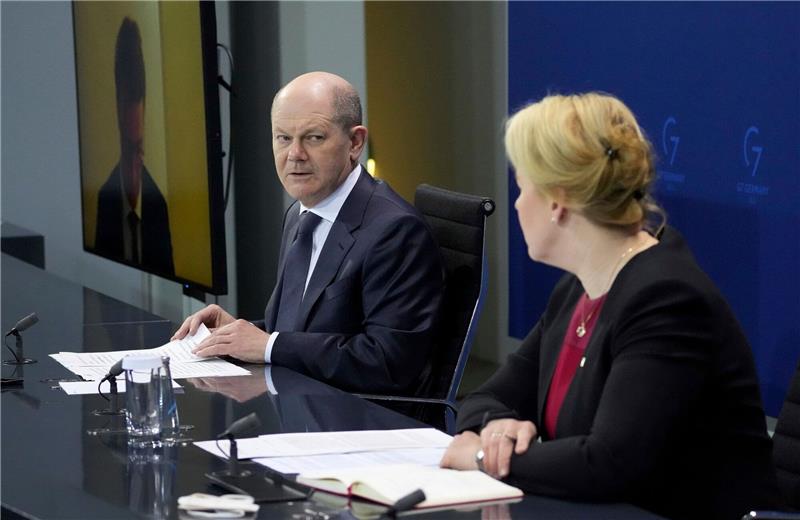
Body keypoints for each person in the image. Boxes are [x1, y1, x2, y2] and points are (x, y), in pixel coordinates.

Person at [440, 92, 782, 519]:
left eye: (522, 187)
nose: (516, 203)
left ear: (558, 202)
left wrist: (482, 459)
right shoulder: (577, 289)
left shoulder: (666, 299)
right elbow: (490, 394)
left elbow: (611, 463)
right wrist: (494, 429)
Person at [172, 72, 444, 394]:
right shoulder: (301, 214)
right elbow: (304, 331)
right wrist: (239, 334)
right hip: (299, 402)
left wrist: (268, 345)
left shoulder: (395, 231)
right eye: (283, 138)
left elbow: (386, 362)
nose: (294, 154)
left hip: (356, 420)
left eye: (314, 138)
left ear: (355, 143)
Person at [95, 17, 175, 276]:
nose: (133, 166)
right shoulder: (106, 198)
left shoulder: (158, 206)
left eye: (139, 149)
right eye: (128, 150)